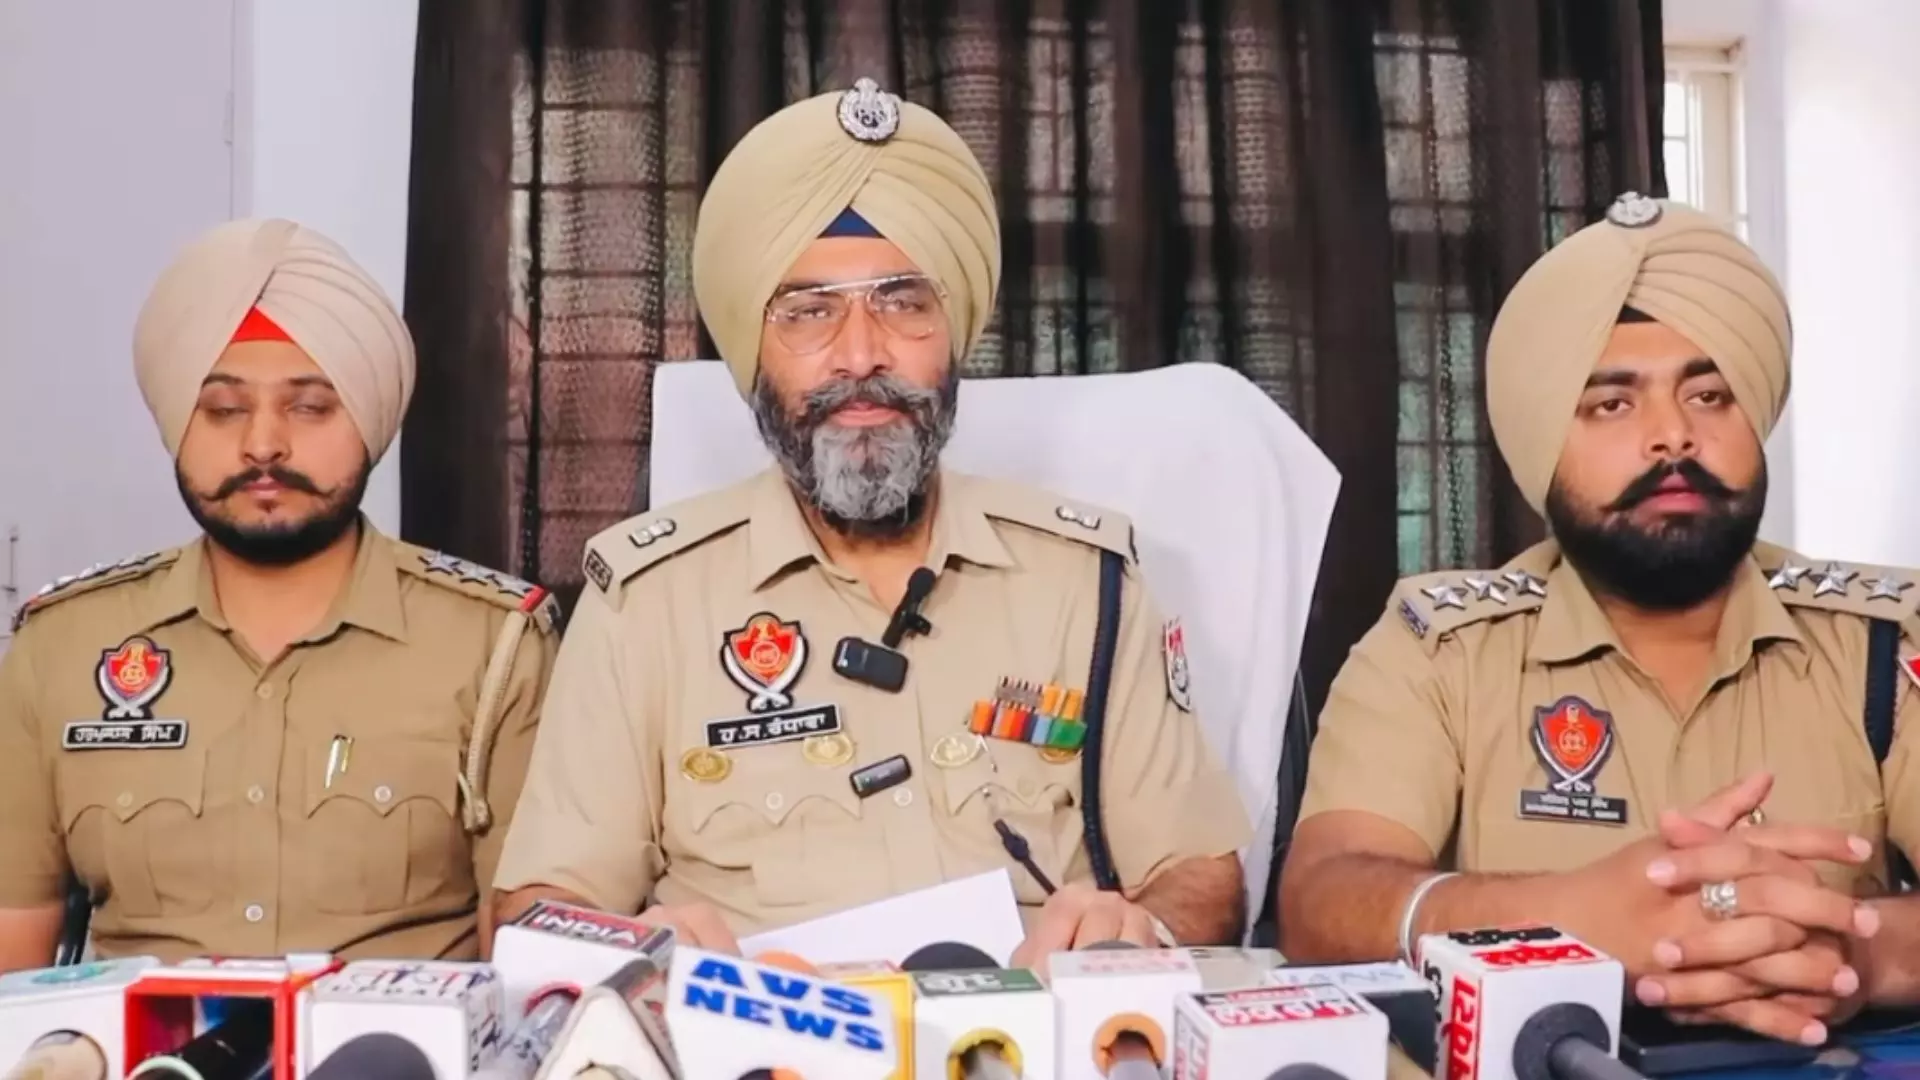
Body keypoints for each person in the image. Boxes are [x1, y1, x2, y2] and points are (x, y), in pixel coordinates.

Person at [492, 78, 1249, 962]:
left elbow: (1202, 877)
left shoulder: (1086, 582)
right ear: (752, 353)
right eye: (809, 312)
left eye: (903, 302)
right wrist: (633, 948)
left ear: (952, 333)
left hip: (1028, 1021)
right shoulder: (646, 601)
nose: (860, 355)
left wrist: (1137, 930)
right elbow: (533, 911)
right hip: (762, 1028)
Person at [1279, 193, 1920, 1046]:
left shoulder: (1882, 640)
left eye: (1711, 395)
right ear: (1546, 447)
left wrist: (1852, 954)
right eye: (1613, 404)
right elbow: (1322, 899)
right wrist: (1572, 920)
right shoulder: (1438, 649)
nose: (1674, 437)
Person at [0, 219, 559, 971]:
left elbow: (528, 954)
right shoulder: (63, 646)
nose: (263, 444)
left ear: (368, 419)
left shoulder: (494, 646)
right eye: (224, 409)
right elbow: (15, 946)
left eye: (309, 407)